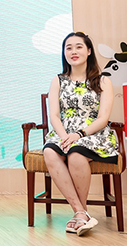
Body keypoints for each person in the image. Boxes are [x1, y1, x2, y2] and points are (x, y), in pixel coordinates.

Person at [43, 32, 118, 236]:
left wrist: (79, 134)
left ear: (89, 51)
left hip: (93, 134)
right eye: (68, 48)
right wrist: (65, 137)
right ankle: (81, 212)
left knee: (76, 153)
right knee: (50, 152)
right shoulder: (58, 80)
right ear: (64, 53)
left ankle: (80, 214)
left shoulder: (103, 81)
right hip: (64, 133)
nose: (73, 51)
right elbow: (54, 115)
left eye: (78, 47)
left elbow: (103, 118)